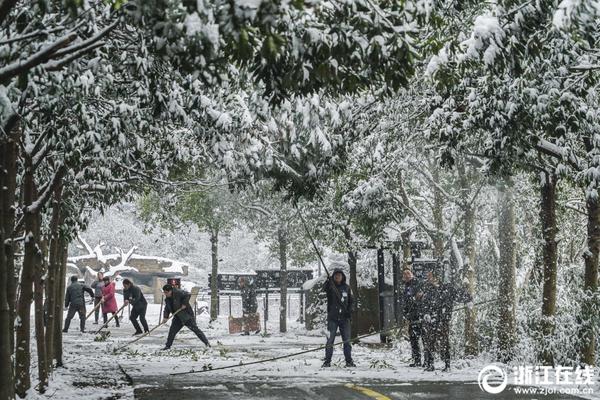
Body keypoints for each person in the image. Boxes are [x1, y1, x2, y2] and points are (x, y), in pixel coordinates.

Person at [420, 269, 472, 372]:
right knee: (430, 342)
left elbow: (460, 294)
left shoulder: (448, 289)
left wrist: (469, 300)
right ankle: (430, 364)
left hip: (444, 320)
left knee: (444, 342)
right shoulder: (428, 289)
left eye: (430, 276)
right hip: (432, 320)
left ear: (436, 278)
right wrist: (426, 313)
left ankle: (447, 364)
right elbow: (424, 304)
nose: (428, 278)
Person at [322, 268, 355, 368]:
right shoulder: (330, 287)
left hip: (344, 318)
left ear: (342, 277)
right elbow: (324, 288)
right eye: (336, 275)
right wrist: (328, 281)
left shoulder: (347, 288)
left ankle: (349, 361)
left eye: (339, 275)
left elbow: (351, 301)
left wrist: (349, 311)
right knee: (330, 340)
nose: (337, 277)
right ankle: (327, 361)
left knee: (347, 341)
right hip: (332, 318)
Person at [161, 284, 210, 350]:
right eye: (164, 292)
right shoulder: (168, 299)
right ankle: (167, 346)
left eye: (166, 292)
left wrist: (184, 303)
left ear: (171, 291)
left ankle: (207, 343)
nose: (165, 294)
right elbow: (167, 308)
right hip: (177, 317)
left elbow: (187, 295)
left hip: (187, 316)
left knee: (196, 330)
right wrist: (165, 317)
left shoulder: (178, 293)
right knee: (172, 332)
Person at [402, 269, 422, 367]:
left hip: (419, 316)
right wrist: (405, 315)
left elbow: (419, 297)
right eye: (405, 274)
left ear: (412, 274)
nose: (407, 275)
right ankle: (417, 360)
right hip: (411, 316)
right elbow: (405, 302)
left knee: (422, 338)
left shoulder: (417, 283)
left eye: (408, 273)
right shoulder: (405, 286)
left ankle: (426, 360)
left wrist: (416, 299)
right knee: (413, 339)